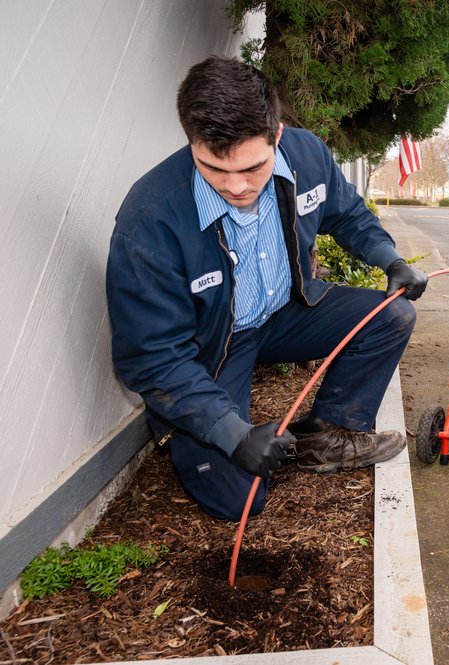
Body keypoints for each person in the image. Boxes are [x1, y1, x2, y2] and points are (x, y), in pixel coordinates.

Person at [106, 56, 427, 522]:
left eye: (253, 168)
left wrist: (389, 260)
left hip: (284, 314)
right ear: (191, 142)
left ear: (277, 134)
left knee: (392, 315)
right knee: (240, 499)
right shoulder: (150, 219)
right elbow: (152, 357)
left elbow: (348, 213)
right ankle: (199, 433)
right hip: (213, 347)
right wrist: (234, 434)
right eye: (215, 169)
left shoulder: (308, 156)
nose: (237, 187)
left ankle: (327, 435)